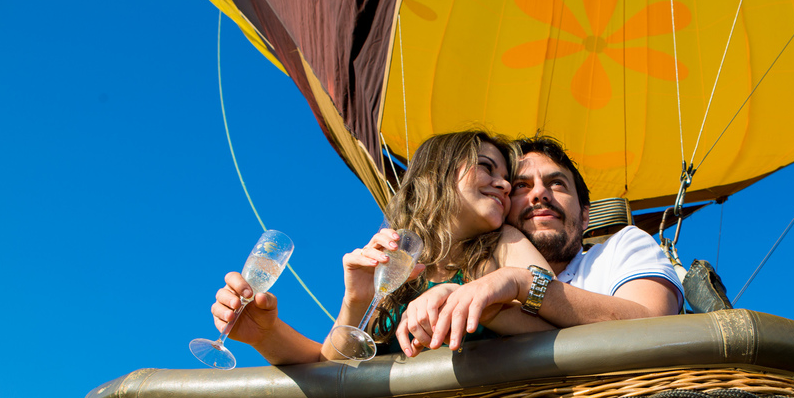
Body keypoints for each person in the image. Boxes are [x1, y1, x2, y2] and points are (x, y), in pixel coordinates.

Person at [210, 131, 552, 364]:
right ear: (436, 175)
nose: (505, 184)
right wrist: (355, 301)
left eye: (506, 177)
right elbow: (333, 367)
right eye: (486, 167)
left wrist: (485, 304)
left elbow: (562, 326)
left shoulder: (506, 244)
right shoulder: (394, 261)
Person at [393, 136, 683, 355]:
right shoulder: (481, 265)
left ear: (585, 215)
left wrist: (521, 282)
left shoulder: (620, 247)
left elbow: (654, 330)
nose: (540, 194)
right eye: (521, 186)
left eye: (557, 184)